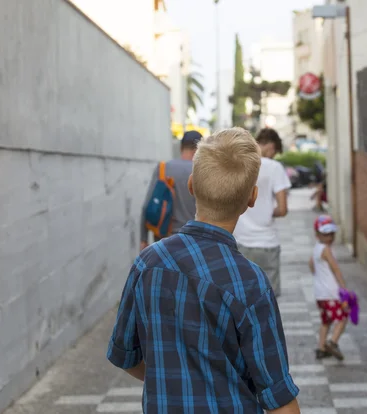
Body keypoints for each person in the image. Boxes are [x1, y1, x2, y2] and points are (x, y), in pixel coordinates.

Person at [107, 128, 301, 414]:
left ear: (191, 185)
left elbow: (123, 354)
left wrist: (172, 380)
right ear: (252, 197)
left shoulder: (147, 264)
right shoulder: (250, 282)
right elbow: (279, 399)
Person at [234, 128, 291, 297]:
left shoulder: (239, 163)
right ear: (271, 147)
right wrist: (266, 211)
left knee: (244, 296)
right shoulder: (274, 167)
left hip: (241, 243)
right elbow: (283, 209)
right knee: (269, 299)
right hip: (267, 243)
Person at [139, 130, 202, 251]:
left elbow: (147, 206)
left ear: (181, 148)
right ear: (199, 150)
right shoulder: (201, 172)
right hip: (193, 243)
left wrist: (144, 239)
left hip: (164, 241)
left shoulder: (163, 168)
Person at [309, 215, 349, 360]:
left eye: (332, 233)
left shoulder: (316, 248)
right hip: (330, 293)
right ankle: (332, 343)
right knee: (343, 317)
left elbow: (311, 265)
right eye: (326, 234)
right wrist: (344, 289)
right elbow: (335, 269)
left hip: (320, 294)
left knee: (326, 321)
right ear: (317, 234)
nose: (330, 237)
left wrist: (318, 277)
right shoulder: (326, 249)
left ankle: (321, 349)